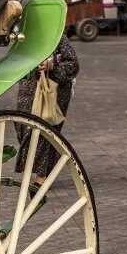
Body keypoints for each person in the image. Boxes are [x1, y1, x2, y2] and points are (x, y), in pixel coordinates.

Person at [15, 35, 79, 184]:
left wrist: (52, 65)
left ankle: (42, 177)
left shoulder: (58, 37)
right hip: (28, 89)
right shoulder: (23, 36)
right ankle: (39, 169)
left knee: (46, 131)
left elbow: (73, 64)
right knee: (23, 128)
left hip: (52, 91)